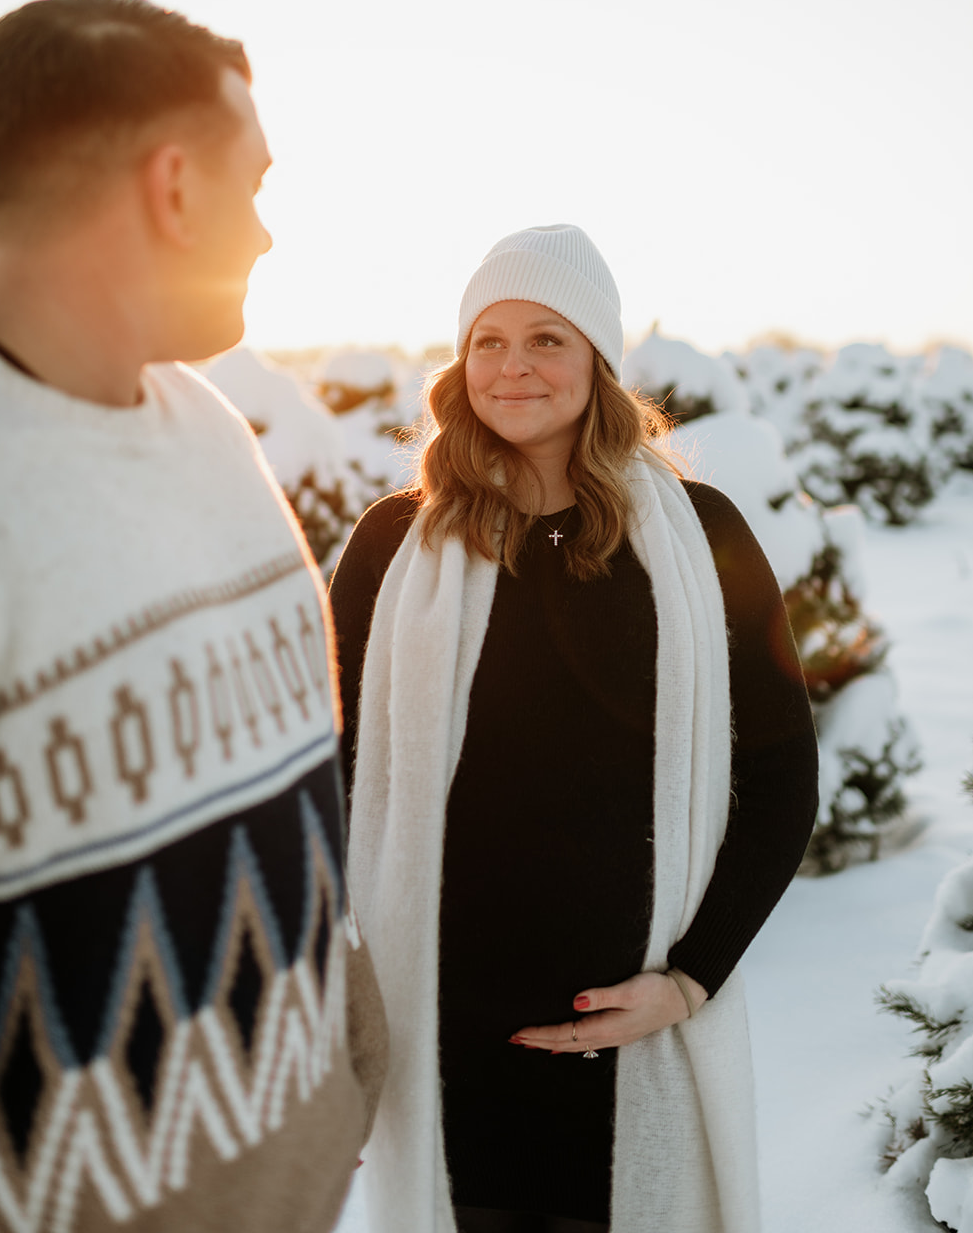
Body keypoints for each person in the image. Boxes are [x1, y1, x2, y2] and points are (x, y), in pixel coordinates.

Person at [329, 223, 819, 1233]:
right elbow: (329, 779)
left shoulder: (704, 537)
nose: (512, 366)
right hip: (441, 1045)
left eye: (546, 339)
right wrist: (340, 1019)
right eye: (488, 341)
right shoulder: (392, 543)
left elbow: (779, 779)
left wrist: (689, 982)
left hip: (632, 1044)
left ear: (598, 360)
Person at [0, 0, 385, 1233]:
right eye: (252, 183)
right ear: (173, 187)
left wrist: (344, 1034)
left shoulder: (211, 429)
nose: (265, 230)